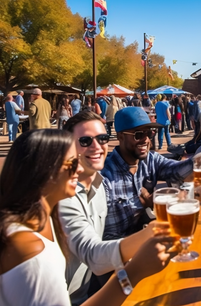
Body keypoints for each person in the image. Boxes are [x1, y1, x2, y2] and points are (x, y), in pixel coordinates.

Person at [0, 129, 173, 306]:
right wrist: (134, 271)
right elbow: (93, 254)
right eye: (72, 162)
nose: (80, 168)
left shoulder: (35, 220)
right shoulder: (34, 254)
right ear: (43, 170)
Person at [58, 111, 167, 305]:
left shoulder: (99, 183)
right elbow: (92, 254)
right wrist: (148, 236)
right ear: (68, 148)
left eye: (102, 138)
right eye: (85, 141)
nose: (97, 146)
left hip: (92, 285)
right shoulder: (65, 196)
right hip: (72, 298)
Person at [102, 107, 194, 240]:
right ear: (120, 136)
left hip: (146, 238)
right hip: (118, 252)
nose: (146, 140)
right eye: (138, 135)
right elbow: (108, 237)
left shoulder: (150, 159)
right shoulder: (105, 175)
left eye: (149, 133)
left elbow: (175, 171)